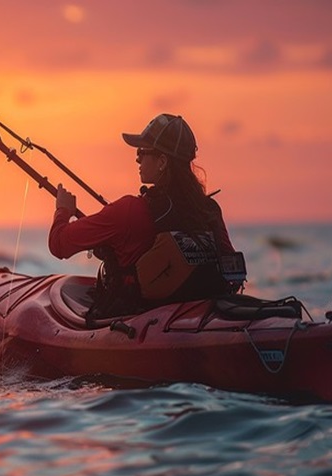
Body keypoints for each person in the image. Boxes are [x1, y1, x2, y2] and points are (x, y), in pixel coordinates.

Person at [48, 113, 243, 320]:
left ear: (162, 161)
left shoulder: (129, 210)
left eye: (142, 152)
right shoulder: (209, 210)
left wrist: (63, 210)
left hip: (142, 321)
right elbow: (232, 274)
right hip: (203, 315)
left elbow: (58, 244)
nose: (137, 158)